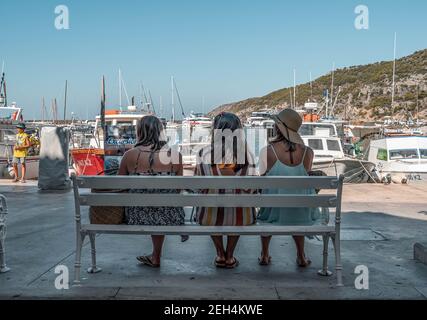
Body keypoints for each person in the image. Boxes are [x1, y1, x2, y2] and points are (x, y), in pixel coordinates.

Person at [118, 115, 185, 268]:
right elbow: (178, 189)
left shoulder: (129, 156)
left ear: (140, 132)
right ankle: (156, 256)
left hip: (137, 215)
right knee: (161, 205)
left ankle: (155, 257)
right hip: (170, 215)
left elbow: (120, 187)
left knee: (153, 206)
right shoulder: (175, 156)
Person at [258, 108, 320, 267]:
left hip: (273, 212)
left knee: (268, 203)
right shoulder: (308, 152)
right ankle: (301, 256)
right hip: (302, 212)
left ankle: (264, 254)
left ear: (279, 128)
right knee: (296, 204)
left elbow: (262, 182)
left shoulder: (267, 151)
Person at [194, 112, 257, 269]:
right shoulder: (247, 155)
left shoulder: (204, 153)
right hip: (241, 217)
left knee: (211, 205)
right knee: (237, 206)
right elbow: (251, 188)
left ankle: (220, 253)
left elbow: (198, 186)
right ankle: (229, 256)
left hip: (209, 216)